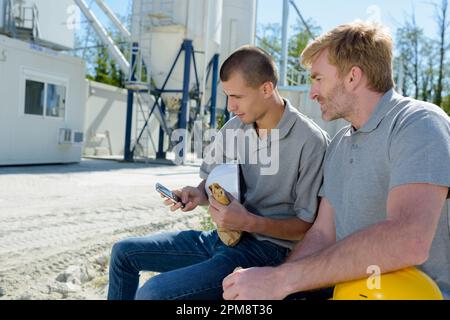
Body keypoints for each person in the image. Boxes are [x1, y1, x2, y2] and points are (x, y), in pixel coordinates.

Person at [222, 21, 450, 300]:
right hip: (347, 290)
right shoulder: (341, 143)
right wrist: (273, 285)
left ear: (353, 77)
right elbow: (322, 234)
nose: (312, 92)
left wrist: (281, 279)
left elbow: (408, 239)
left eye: (318, 79)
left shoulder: (418, 124)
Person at [107, 46, 330, 300]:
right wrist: (197, 194)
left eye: (237, 96)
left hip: (266, 251)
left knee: (153, 293)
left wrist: (249, 222)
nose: (230, 106)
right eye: (226, 95)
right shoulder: (234, 128)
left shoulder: (311, 141)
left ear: (266, 89)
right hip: (221, 238)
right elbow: (210, 182)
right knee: (123, 253)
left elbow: (307, 227)